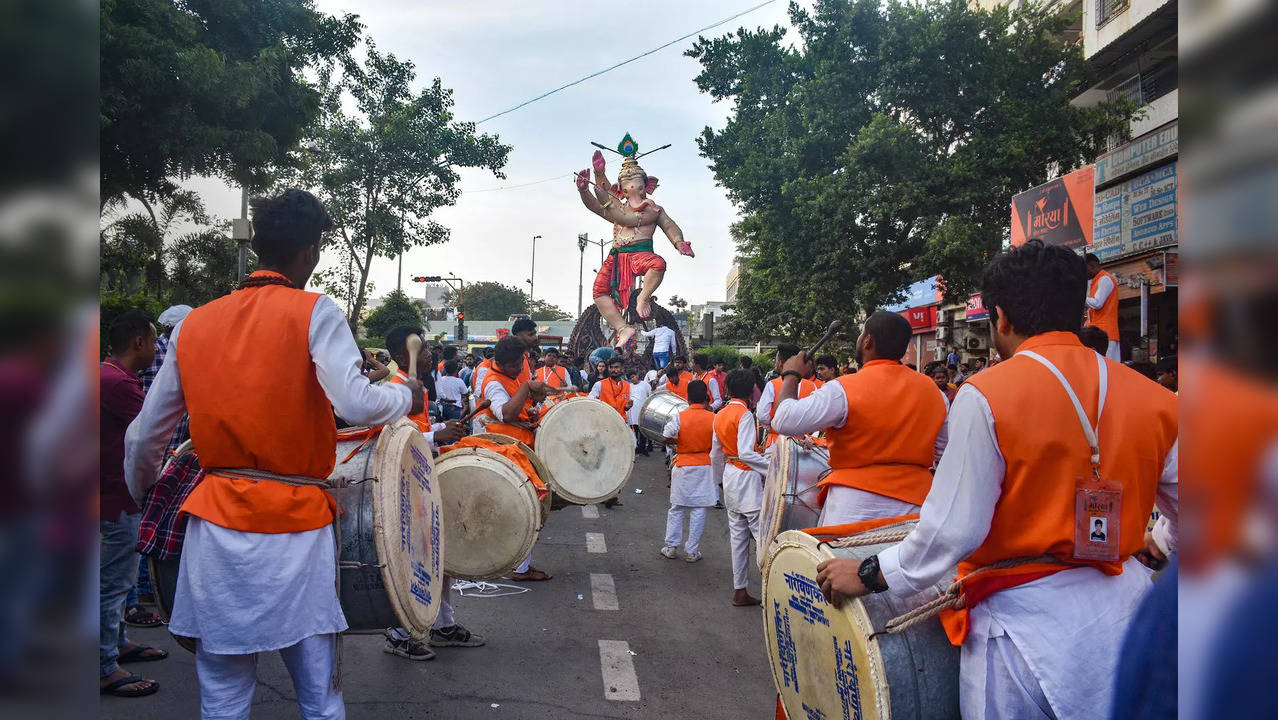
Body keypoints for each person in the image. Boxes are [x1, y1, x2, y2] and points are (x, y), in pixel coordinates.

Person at [813, 240, 1177, 720]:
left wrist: (869, 573)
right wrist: (1162, 541)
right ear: (1076, 308)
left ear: (1001, 317)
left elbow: (952, 531)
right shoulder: (1158, 399)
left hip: (1021, 635)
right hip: (1129, 620)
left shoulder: (986, 393)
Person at [124, 189, 424, 718]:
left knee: (222, 696)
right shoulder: (315, 311)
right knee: (319, 696)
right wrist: (404, 394)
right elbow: (356, 403)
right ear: (309, 252)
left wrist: (140, 488)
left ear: (259, 244)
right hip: (295, 531)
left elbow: (145, 435)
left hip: (214, 526)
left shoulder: (194, 324)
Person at [772, 311, 949, 525]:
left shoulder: (841, 389)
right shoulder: (935, 392)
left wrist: (791, 375)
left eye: (861, 333)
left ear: (868, 341)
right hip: (916, 507)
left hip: (854, 506)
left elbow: (783, 420)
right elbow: (943, 453)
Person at [382, 328, 475, 660]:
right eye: (421, 350)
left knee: (438, 557)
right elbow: (391, 436)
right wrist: (436, 436)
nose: (428, 355)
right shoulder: (394, 388)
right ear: (400, 353)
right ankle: (397, 633)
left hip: (423, 479)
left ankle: (442, 625)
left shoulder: (414, 388)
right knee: (406, 559)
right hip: (403, 486)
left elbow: (414, 429)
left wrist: (440, 431)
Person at [101, 310, 166, 697]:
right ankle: (103, 666)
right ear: (138, 341)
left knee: (119, 582)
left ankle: (118, 644)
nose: (157, 348)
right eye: (154, 340)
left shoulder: (107, 375)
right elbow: (151, 435)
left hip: (108, 495)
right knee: (111, 585)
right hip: (114, 499)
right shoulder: (117, 384)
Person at [479, 336, 561, 581]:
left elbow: (519, 409)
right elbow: (505, 414)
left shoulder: (512, 377)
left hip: (521, 449)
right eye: (515, 365)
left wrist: (532, 407)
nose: (519, 369)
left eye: (521, 363)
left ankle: (519, 564)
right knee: (529, 508)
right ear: (501, 363)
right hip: (507, 454)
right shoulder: (493, 382)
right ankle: (519, 567)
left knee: (527, 509)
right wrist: (527, 388)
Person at [711, 370, 771, 606]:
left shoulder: (720, 414)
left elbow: (715, 452)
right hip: (746, 478)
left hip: (730, 475)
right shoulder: (744, 414)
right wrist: (772, 467)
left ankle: (740, 590)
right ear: (750, 391)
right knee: (762, 537)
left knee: (738, 538)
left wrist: (718, 481)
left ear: (726, 389)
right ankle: (772, 588)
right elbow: (746, 453)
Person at [659, 381, 716, 564]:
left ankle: (671, 547)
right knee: (699, 508)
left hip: (683, 464)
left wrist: (680, 443)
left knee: (677, 507)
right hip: (705, 466)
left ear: (688, 398)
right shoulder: (713, 418)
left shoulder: (679, 416)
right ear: (705, 397)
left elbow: (666, 436)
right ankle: (692, 551)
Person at [756, 343, 819, 450]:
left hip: (777, 443)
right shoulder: (812, 386)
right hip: (804, 443)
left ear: (780, 363)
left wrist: (771, 426)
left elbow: (762, 415)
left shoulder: (772, 384)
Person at [1085, 252, 1122, 362]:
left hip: (1106, 334)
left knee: (1106, 367)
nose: (1084, 273)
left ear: (1092, 266)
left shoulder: (1105, 279)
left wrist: (1079, 296)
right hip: (1099, 333)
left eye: (1084, 269)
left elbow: (1097, 303)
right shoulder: (1096, 281)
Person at [627, 370, 653, 456]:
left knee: (642, 429)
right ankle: (636, 447)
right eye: (630, 378)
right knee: (634, 429)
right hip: (632, 411)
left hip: (642, 410)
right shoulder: (629, 386)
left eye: (633, 376)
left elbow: (650, 395)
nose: (632, 379)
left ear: (637, 375)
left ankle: (642, 447)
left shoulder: (645, 385)